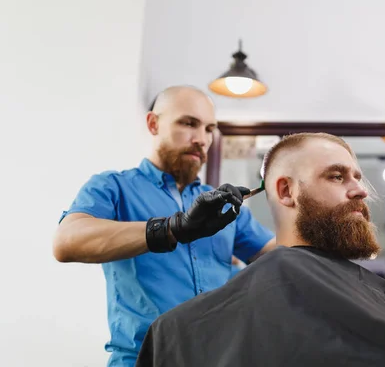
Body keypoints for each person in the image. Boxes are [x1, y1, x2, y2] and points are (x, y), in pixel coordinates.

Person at [135, 132, 385, 367]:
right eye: (336, 176)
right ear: (286, 191)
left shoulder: (350, 287)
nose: (359, 190)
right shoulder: (189, 326)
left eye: (358, 177)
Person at [52, 85, 276, 366]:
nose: (202, 139)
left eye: (209, 129)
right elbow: (67, 241)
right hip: (144, 359)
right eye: (188, 123)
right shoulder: (113, 187)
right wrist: (173, 228)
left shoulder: (223, 206)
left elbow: (279, 256)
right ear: (153, 123)